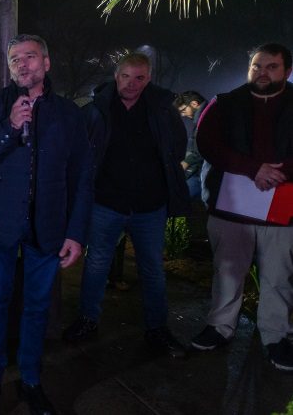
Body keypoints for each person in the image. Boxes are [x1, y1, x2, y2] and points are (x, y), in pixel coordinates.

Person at [0, 34, 93, 415]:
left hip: (48, 229)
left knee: (37, 307)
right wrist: (9, 126)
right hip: (0, 226)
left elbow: (82, 176)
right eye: (15, 59)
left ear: (47, 63)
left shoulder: (70, 114)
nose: (23, 64)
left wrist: (75, 232)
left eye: (30, 57)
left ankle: (31, 381)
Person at [63, 52, 190, 357]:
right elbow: (79, 153)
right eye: (126, 76)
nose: (131, 84)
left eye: (139, 77)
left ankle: (157, 328)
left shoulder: (162, 112)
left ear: (149, 79)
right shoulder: (96, 111)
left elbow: (176, 148)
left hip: (150, 204)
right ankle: (87, 319)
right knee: (96, 264)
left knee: (152, 270)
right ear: (115, 75)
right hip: (107, 201)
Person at [189, 43, 293, 371]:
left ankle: (276, 336)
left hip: (282, 206)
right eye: (256, 66)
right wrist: (253, 168)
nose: (262, 73)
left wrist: (280, 172)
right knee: (228, 271)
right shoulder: (225, 103)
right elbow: (206, 142)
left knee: (278, 275)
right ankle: (220, 327)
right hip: (230, 205)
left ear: (287, 71)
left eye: (271, 67)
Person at [174, 91, 208, 199]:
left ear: (194, 104)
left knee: (179, 197)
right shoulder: (202, 119)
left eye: (184, 110)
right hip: (200, 172)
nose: (183, 115)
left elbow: (201, 151)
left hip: (201, 173)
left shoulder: (205, 120)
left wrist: (185, 164)